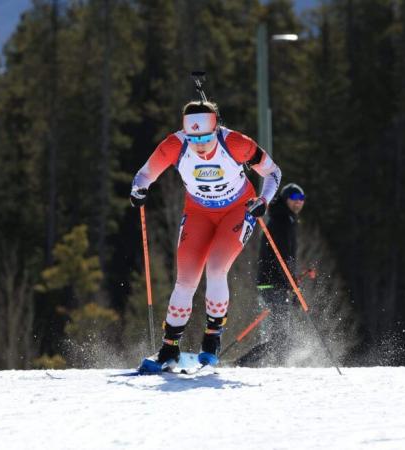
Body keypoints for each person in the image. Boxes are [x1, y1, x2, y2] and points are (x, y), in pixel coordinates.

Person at [130, 100, 282, 371]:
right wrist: (138, 190)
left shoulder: (235, 143)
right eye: (193, 138)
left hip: (237, 210)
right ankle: (168, 350)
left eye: (206, 137)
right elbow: (143, 175)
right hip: (198, 212)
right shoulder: (174, 146)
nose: (200, 144)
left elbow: (273, 172)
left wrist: (264, 200)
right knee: (185, 280)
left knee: (215, 269)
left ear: (217, 129)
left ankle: (212, 339)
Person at [237, 183, 305, 367]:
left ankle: (274, 364)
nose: (299, 203)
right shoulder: (282, 221)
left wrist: (291, 285)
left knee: (282, 336)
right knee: (281, 337)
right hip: (272, 283)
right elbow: (282, 257)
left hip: (277, 282)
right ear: (286, 200)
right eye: (295, 199)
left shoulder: (286, 219)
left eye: (302, 200)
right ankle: (244, 363)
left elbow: (286, 258)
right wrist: (292, 286)